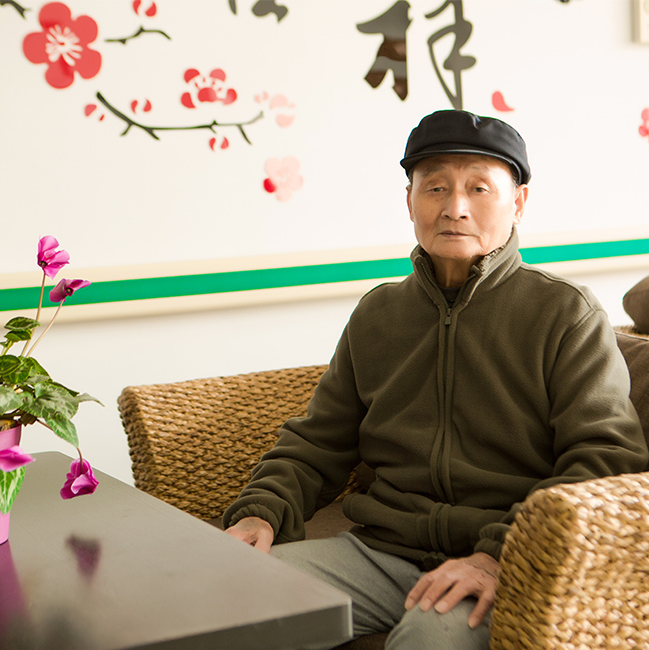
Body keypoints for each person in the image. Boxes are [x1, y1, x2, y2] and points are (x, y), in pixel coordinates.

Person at [223, 109, 649, 649]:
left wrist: (499, 555)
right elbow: (318, 442)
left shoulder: (565, 313)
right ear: (410, 201)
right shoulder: (378, 314)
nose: (455, 208)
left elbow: (605, 459)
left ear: (518, 203)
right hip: (379, 551)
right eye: (436, 188)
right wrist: (261, 511)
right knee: (229, 597)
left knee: (429, 639)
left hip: (505, 561)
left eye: (479, 188)